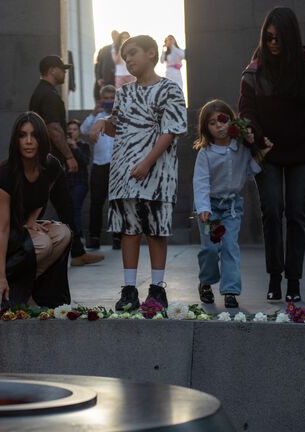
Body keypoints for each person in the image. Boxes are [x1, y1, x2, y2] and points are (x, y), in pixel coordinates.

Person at [239, 7, 305, 303]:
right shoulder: (254, 71)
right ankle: (274, 276)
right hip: (268, 152)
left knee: (296, 214)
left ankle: (293, 280)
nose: (272, 43)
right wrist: (256, 135)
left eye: (279, 38)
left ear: (291, 38)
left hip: (302, 153)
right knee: (272, 211)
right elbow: (246, 111)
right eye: (268, 38)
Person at [106, 35, 187, 310]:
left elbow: (170, 131)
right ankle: (129, 289)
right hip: (124, 174)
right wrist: (102, 126)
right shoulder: (124, 92)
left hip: (157, 174)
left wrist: (147, 162)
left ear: (152, 54)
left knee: (155, 230)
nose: (127, 59)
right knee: (129, 230)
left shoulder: (169, 89)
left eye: (133, 53)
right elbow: (116, 126)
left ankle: (157, 289)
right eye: (124, 55)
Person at [0, 112, 73, 308]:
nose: (28, 141)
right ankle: (1, 284)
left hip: (18, 223)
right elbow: (2, 229)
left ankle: (25, 290)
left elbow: (42, 196)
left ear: (42, 139)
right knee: (41, 243)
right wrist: (1, 275)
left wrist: (32, 221)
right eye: (22, 135)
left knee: (63, 233)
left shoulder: (50, 166)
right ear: (15, 140)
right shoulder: (5, 174)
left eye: (34, 135)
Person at [192, 100, 273, 308]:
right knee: (210, 249)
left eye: (222, 120)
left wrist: (261, 154)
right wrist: (203, 208)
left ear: (232, 120)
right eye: (212, 123)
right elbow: (200, 182)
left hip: (231, 208)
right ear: (205, 128)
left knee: (229, 247)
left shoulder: (241, 149)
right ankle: (206, 282)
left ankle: (230, 290)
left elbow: (247, 172)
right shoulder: (206, 152)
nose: (218, 126)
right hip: (209, 208)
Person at [29, 55, 104, 267]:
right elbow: (54, 129)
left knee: (64, 206)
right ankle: (16, 251)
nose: (65, 72)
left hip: (44, 159)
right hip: (49, 160)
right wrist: (69, 156)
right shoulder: (49, 96)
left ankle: (78, 252)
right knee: (40, 207)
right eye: (62, 69)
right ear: (52, 70)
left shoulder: (40, 92)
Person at [82, 84, 120, 250]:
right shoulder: (95, 117)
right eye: (106, 99)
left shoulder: (120, 115)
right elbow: (84, 129)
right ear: (100, 100)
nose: (109, 101)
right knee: (96, 203)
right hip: (99, 165)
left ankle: (118, 237)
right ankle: (95, 237)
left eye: (112, 98)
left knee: (118, 202)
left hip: (117, 165)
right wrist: (93, 113)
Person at [65, 119, 90, 244]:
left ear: (79, 132)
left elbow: (85, 161)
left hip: (80, 183)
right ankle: (70, 238)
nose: (71, 132)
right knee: (68, 210)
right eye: (69, 130)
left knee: (75, 208)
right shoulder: (63, 147)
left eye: (74, 129)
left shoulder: (84, 145)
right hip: (66, 183)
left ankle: (79, 237)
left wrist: (74, 147)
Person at [94, 30, 119, 100]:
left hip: (119, 79)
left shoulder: (123, 49)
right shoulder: (104, 49)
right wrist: (98, 78)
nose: (115, 37)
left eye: (117, 35)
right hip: (106, 80)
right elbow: (98, 65)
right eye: (113, 35)